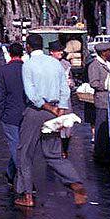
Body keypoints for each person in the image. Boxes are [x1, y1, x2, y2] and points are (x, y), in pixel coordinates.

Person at [14, 35, 87, 208]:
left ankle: (27, 195)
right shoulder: (55, 63)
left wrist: (47, 107)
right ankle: (75, 183)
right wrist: (59, 109)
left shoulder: (28, 65)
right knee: (53, 154)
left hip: (36, 112)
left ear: (28, 47)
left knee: (24, 153)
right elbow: (65, 89)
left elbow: (31, 95)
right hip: (55, 111)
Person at [0, 42, 26, 185]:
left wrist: (0, 114)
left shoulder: (2, 71)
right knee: (21, 145)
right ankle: (10, 173)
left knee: (14, 146)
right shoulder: (27, 69)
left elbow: (0, 96)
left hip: (9, 113)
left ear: (10, 54)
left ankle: (24, 177)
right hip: (26, 112)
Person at [48, 40, 75, 158]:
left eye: (61, 50)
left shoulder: (66, 64)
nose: (60, 52)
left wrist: (71, 83)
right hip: (53, 98)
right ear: (51, 52)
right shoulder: (47, 64)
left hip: (66, 99)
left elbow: (72, 80)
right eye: (57, 51)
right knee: (54, 125)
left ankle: (64, 150)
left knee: (67, 125)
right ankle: (54, 150)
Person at [87, 42, 110, 159]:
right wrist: (108, 85)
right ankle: (100, 153)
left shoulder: (107, 63)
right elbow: (93, 83)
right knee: (101, 128)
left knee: (107, 127)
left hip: (109, 100)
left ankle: (106, 151)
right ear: (103, 53)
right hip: (102, 101)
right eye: (109, 51)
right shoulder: (95, 65)